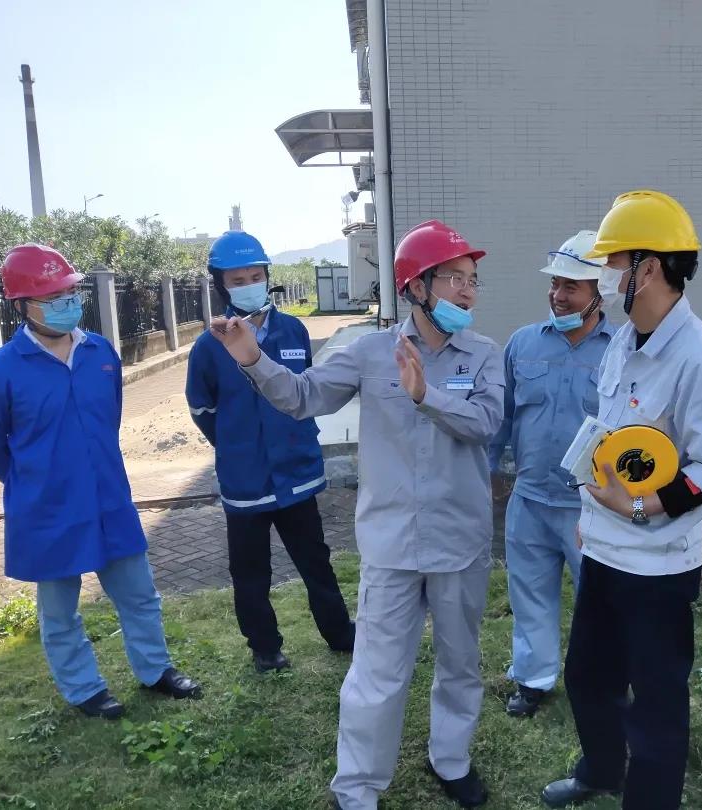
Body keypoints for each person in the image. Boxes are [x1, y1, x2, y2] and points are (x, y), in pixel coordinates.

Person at [207, 219, 503, 810]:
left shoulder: (485, 355)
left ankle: (451, 760)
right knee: (377, 671)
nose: (468, 290)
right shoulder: (370, 352)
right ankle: (359, 787)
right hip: (392, 543)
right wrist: (252, 359)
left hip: (460, 541)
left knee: (460, 662)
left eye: (473, 280)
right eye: (455, 278)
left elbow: (486, 424)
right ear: (416, 286)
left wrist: (426, 396)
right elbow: (301, 398)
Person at [541, 191, 702, 809]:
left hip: (657, 569)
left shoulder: (700, 359)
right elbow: (611, 433)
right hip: (603, 551)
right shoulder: (627, 339)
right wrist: (592, 513)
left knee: (656, 707)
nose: (604, 276)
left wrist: (640, 508)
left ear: (650, 267)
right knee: (588, 678)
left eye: (613, 263)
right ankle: (602, 770)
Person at [0, 244, 201, 719]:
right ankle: (84, 689)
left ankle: (156, 670)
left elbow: (108, 418)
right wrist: (34, 480)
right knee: (59, 611)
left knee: (139, 594)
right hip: (47, 509)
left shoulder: (101, 353)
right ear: (22, 305)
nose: (66, 302)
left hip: (109, 499)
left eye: (69, 292)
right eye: (52, 296)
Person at [186, 230, 354, 673]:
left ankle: (340, 633)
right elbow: (202, 409)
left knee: (316, 562)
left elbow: (308, 390)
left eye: (255, 276)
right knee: (250, 573)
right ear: (222, 285)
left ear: (267, 276)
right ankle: (265, 648)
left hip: (296, 473)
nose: (249, 285)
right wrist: (236, 445)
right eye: (237, 280)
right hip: (245, 482)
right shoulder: (208, 346)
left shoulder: (294, 330)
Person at [488, 230, 614, 718]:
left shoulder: (621, 351)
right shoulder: (523, 344)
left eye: (571, 286)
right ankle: (533, 679)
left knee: (600, 601)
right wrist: (488, 470)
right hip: (530, 499)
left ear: (599, 293)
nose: (558, 295)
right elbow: (502, 416)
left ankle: (601, 679)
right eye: (555, 284)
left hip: (593, 505)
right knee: (530, 596)